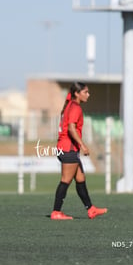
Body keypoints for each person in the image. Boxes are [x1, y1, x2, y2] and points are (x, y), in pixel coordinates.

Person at [50, 82, 108, 220]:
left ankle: (91, 209)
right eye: (85, 92)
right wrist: (82, 145)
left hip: (66, 148)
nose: (88, 94)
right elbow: (71, 128)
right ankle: (56, 212)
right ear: (77, 93)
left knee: (80, 179)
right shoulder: (75, 107)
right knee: (65, 181)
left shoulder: (70, 105)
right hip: (68, 149)